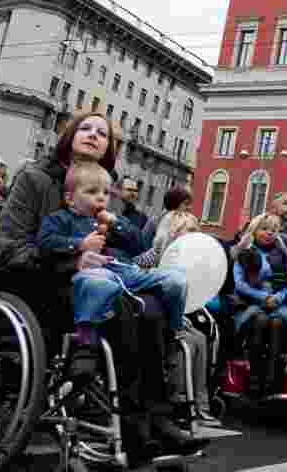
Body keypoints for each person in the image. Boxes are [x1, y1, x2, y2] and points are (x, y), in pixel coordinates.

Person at [0, 111, 203, 463]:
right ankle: (136, 428)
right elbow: (9, 246)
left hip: (99, 281)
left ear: (110, 148)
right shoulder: (34, 178)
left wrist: (115, 231)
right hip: (39, 283)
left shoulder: (107, 190)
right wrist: (71, 260)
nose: (92, 134)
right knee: (122, 307)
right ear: (69, 136)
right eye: (85, 128)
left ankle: (160, 418)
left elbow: (130, 250)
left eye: (101, 133)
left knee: (150, 306)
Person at [38, 162, 187, 381]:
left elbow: (138, 245)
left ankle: (172, 335)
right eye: (91, 192)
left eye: (106, 193)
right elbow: (45, 242)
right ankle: (85, 344)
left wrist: (116, 222)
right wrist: (80, 244)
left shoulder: (113, 221)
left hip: (125, 271)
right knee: (98, 282)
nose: (101, 198)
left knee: (176, 281)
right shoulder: (60, 219)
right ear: (70, 198)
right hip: (96, 272)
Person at [134, 211, 215, 425]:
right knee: (186, 341)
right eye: (188, 231)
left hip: (175, 313)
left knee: (200, 338)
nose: (192, 237)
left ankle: (200, 404)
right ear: (174, 232)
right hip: (155, 313)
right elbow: (134, 269)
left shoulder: (188, 260)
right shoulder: (156, 253)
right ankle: (178, 401)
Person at [231, 213, 287, 397]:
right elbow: (240, 284)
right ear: (255, 230)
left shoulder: (283, 254)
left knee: (278, 324)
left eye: (273, 230)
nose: (269, 233)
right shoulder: (245, 253)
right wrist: (263, 297)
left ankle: (273, 379)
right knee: (260, 320)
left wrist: (279, 298)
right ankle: (254, 377)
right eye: (265, 229)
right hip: (251, 303)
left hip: (278, 303)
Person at [141, 186, 192, 252]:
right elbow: (143, 246)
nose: (189, 207)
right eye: (186, 204)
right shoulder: (155, 221)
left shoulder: (187, 223)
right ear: (175, 203)